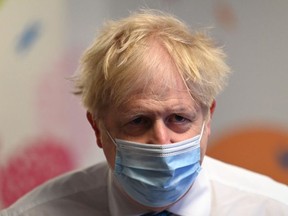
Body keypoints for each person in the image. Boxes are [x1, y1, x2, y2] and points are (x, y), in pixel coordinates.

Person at [1, 10, 288, 216]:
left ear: (208, 117)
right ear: (98, 128)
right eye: (137, 121)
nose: (162, 142)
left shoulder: (272, 207)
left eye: (179, 118)